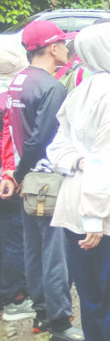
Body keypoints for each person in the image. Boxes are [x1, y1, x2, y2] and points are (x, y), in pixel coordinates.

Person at [46, 22, 110, 341]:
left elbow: (57, 146)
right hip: (109, 212)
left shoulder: (81, 89)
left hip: (74, 204)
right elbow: (104, 159)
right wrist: (95, 217)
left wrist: (77, 160)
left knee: (91, 303)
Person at [0, 20, 83, 340]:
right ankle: (59, 321)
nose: (67, 49)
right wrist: (20, 173)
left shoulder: (18, 81)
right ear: (52, 48)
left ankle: (40, 314)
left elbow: (15, 133)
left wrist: (16, 173)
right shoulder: (51, 87)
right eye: (63, 43)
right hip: (46, 180)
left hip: (26, 180)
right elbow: (44, 139)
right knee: (53, 252)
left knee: (32, 249)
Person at [0, 43, 32, 322]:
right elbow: (11, 143)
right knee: (12, 236)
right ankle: (15, 298)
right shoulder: (9, 100)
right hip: (6, 179)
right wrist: (12, 174)